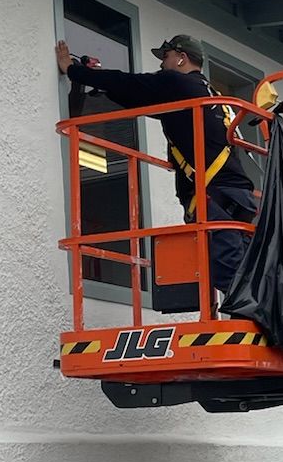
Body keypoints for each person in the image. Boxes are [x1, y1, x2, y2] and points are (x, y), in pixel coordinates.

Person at [55, 31, 258, 300]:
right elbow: (139, 98)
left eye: (166, 57)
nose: (162, 64)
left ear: (182, 59)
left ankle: (253, 322)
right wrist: (100, 83)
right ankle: (262, 321)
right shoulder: (209, 94)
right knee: (242, 271)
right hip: (236, 197)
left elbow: (129, 83)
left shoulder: (176, 83)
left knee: (228, 274)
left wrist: (73, 70)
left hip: (215, 196)